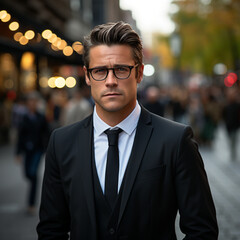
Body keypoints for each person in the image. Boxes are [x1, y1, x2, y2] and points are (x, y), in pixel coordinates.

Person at [37, 21, 218, 239]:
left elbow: (202, 230)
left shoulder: (175, 140)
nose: (110, 81)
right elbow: (51, 229)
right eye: (100, 71)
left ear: (139, 73)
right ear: (87, 76)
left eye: (121, 69)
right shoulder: (61, 142)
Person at [16, 91, 49, 215]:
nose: (32, 104)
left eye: (34, 101)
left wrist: (47, 147)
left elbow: (47, 132)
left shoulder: (41, 117)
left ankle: (31, 204)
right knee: (27, 174)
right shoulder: (24, 118)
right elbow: (20, 136)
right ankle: (31, 200)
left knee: (33, 174)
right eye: (30, 102)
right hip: (27, 150)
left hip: (38, 150)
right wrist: (18, 153)